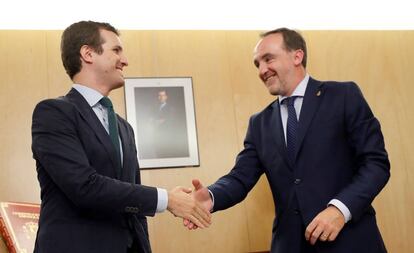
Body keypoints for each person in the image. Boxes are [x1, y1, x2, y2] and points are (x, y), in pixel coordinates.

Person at [185, 28, 390, 253]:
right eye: (257, 64)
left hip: (351, 242)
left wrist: (340, 210)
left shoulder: (343, 96)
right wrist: (211, 196)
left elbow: (376, 164)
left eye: (268, 59)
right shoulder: (259, 123)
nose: (262, 70)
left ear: (297, 56)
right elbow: (240, 178)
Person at [31, 21, 211, 253]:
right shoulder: (53, 113)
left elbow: (132, 201)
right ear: (88, 54)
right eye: (116, 50)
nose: (125, 60)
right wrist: (168, 199)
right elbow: (84, 186)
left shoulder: (124, 127)